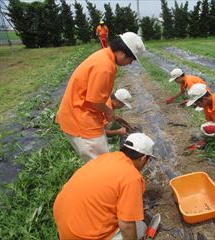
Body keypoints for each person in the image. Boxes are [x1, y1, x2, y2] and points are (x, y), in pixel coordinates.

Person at [56, 32, 145, 162]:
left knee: (98, 164)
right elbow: (95, 101)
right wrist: (109, 112)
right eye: (131, 59)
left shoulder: (103, 56)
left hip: (75, 115)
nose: (130, 63)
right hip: (81, 120)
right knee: (102, 165)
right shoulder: (105, 66)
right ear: (122, 53)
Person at [53, 132, 155, 240]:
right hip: (82, 236)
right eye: (148, 160)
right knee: (140, 228)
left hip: (65, 225)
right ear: (143, 158)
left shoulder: (106, 157)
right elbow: (126, 225)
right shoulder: (131, 177)